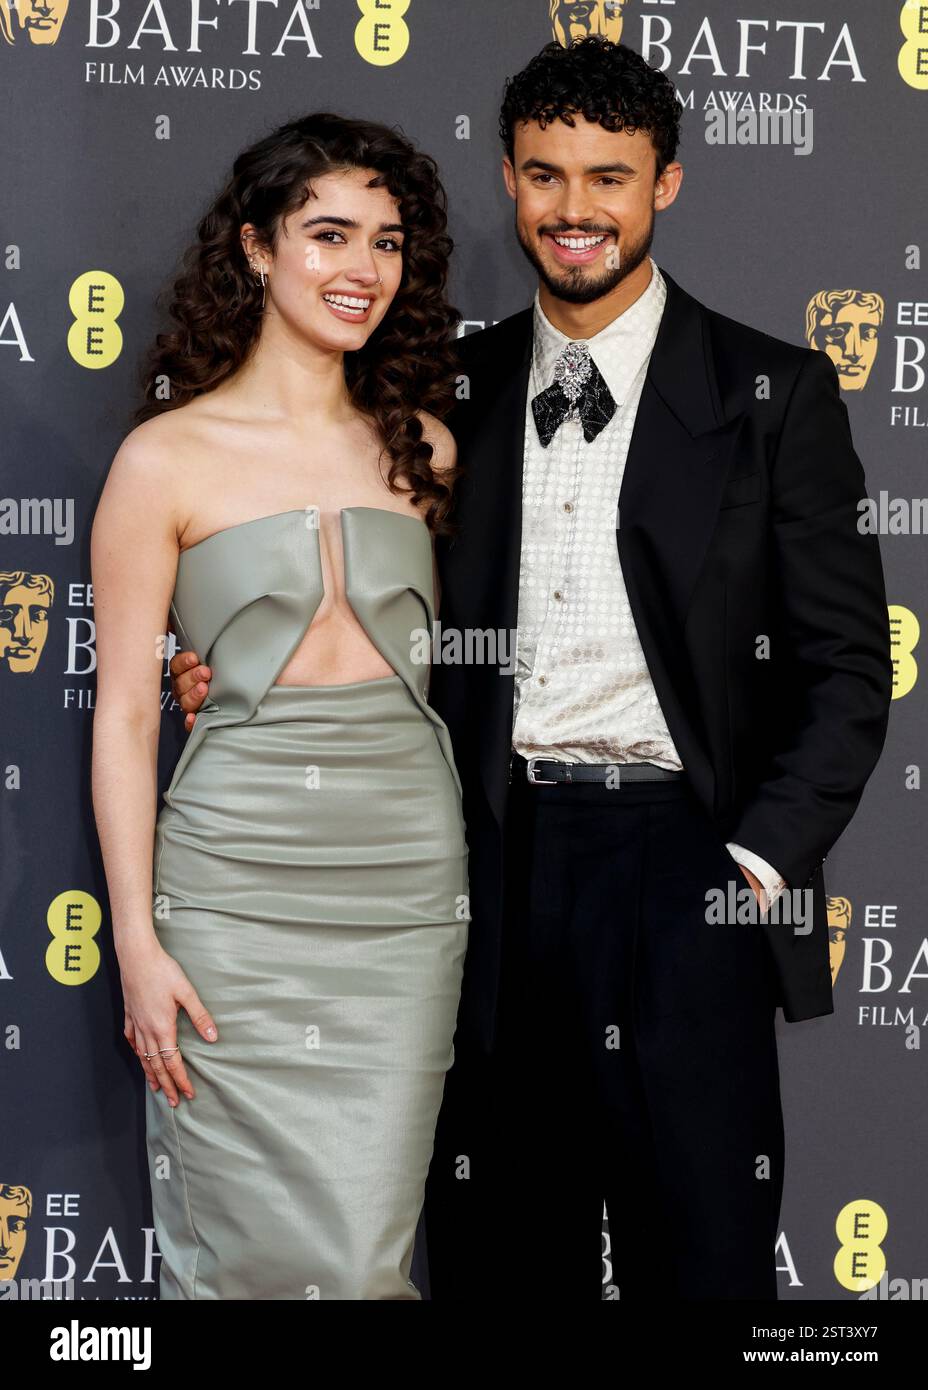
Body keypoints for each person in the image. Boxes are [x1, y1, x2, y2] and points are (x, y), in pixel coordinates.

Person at [171, 39, 893, 1300]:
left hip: (690, 864)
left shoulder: (771, 391)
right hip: (487, 865)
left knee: (705, 1258)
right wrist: (228, 657)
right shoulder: (446, 385)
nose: (574, 210)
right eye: (545, 175)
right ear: (509, 180)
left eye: (607, 177)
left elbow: (845, 670)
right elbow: (336, 559)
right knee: (504, 1247)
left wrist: (750, 869)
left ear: (664, 184)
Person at [90, 112, 469, 1301]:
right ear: (256, 248)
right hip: (235, 889)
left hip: (405, 886)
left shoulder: (424, 450)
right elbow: (123, 717)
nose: (362, 268)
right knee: (247, 1250)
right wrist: (137, 941)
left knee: (362, 1253)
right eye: (328, 234)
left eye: (388, 241)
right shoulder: (165, 459)